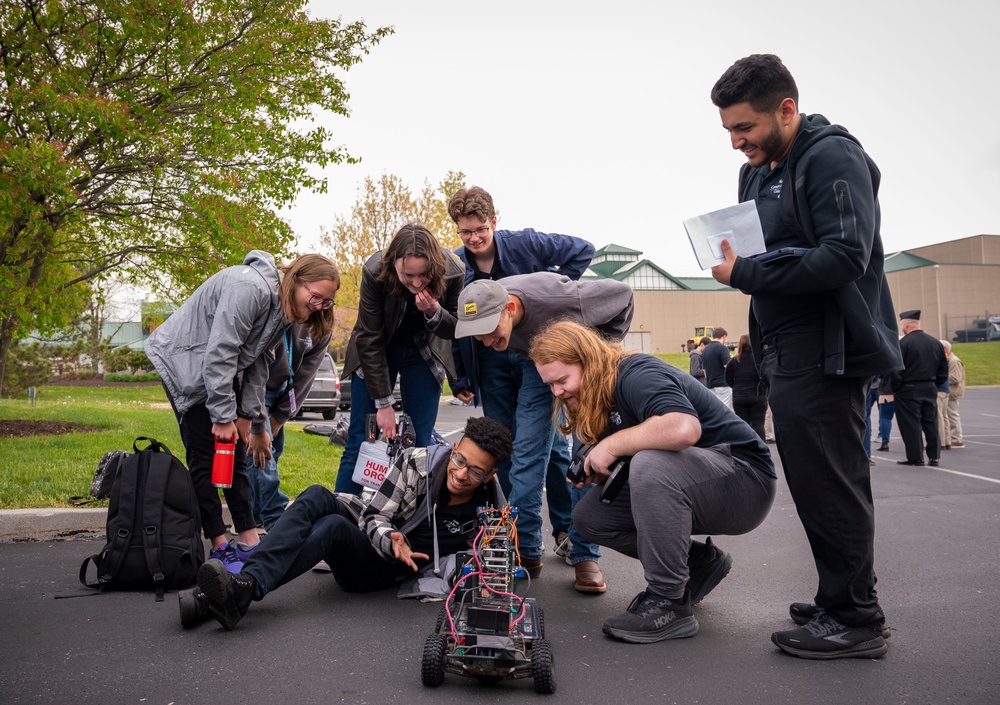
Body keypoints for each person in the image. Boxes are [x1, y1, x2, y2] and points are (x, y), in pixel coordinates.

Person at [709, 54, 902, 659]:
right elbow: (763, 253)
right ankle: (837, 596)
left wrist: (747, 272)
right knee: (814, 484)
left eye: (745, 128)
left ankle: (856, 619)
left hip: (829, 349)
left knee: (833, 485)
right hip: (783, 350)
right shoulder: (759, 170)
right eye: (729, 132)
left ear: (786, 109)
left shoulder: (831, 155)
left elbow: (847, 254)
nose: (737, 143)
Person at [529, 321, 776, 644]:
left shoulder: (636, 373)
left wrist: (610, 446)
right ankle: (698, 562)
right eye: (550, 385)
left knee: (650, 463)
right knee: (590, 518)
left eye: (562, 380)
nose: (557, 392)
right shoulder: (601, 396)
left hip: (745, 481)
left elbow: (683, 429)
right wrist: (604, 465)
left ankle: (668, 601)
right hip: (700, 482)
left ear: (588, 360)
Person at [192, 416, 513, 630]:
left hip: (387, 569)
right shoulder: (418, 463)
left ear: (490, 476)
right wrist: (391, 538)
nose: (461, 474)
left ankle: (236, 590)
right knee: (318, 494)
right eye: (460, 460)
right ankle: (242, 588)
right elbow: (374, 515)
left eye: (474, 471)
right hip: (381, 538)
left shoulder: (491, 510)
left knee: (332, 526)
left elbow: (494, 566)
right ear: (454, 448)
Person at [145, 252, 340, 573]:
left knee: (234, 450)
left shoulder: (283, 308)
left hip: (219, 369)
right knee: (205, 454)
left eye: (325, 302)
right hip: (186, 364)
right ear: (295, 279)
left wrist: (249, 416)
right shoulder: (248, 288)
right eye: (315, 296)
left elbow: (259, 363)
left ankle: (249, 538)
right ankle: (219, 545)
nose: (317, 306)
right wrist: (222, 417)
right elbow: (220, 353)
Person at [447, 186, 595, 579]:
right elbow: (457, 325)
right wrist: (460, 375)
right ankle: (522, 538)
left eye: (480, 230)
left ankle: (556, 532)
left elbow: (582, 250)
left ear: (494, 222)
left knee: (538, 448)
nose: (474, 239)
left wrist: (555, 293)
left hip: (533, 354)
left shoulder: (525, 244)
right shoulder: (458, 267)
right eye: (465, 233)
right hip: (491, 360)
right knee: (509, 450)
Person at [453, 272, 635, 593]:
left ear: (509, 308)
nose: (485, 341)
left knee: (587, 453)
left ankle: (584, 554)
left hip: (585, 363)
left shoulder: (559, 301)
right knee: (525, 453)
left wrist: (600, 351)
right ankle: (527, 547)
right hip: (537, 363)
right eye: (477, 335)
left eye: (489, 331)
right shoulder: (496, 312)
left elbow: (623, 294)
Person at [333, 223, 465, 495]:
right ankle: (342, 515)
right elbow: (369, 338)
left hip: (424, 352)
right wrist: (383, 403)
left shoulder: (454, 269)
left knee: (419, 442)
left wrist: (434, 311)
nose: (416, 284)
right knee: (361, 439)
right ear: (394, 263)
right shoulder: (374, 270)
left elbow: (456, 328)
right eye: (408, 276)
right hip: (377, 351)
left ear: (436, 267)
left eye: (424, 276)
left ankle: (410, 517)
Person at [247, 320, 334, 531]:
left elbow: (306, 375)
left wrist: (281, 414)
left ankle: (255, 514)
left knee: (274, 452)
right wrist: (258, 425)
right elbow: (250, 372)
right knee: (261, 454)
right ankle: (276, 520)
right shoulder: (277, 314)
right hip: (256, 388)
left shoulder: (322, 324)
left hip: (283, 390)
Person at [889, 310, 948, 467]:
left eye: (901, 323)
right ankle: (934, 456)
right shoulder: (935, 343)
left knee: (911, 424)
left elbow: (896, 369)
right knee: (930, 422)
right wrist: (935, 384)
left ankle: (915, 457)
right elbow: (943, 369)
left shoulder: (904, 344)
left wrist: (896, 387)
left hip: (908, 388)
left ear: (906, 324)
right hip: (930, 387)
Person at [724, 334, 767, 440]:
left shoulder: (734, 361)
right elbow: (766, 375)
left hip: (739, 396)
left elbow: (727, 377)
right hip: (757, 395)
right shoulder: (759, 360)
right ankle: (761, 449)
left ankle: (747, 449)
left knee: (743, 424)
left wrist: (736, 386)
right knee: (758, 424)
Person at [941, 340, 966, 449]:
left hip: (952, 392)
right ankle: (950, 438)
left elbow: (955, 378)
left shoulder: (954, 361)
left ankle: (957, 438)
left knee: (952, 415)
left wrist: (940, 376)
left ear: (945, 349)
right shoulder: (948, 359)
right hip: (948, 391)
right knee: (947, 415)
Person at [702, 328, 732, 409]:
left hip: (710, 384)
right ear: (724, 336)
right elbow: (727, 366)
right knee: (725, 410)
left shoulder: (705, 349)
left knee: (715, 410)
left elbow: (704, 371)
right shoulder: (723, 348)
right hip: (723, 385)